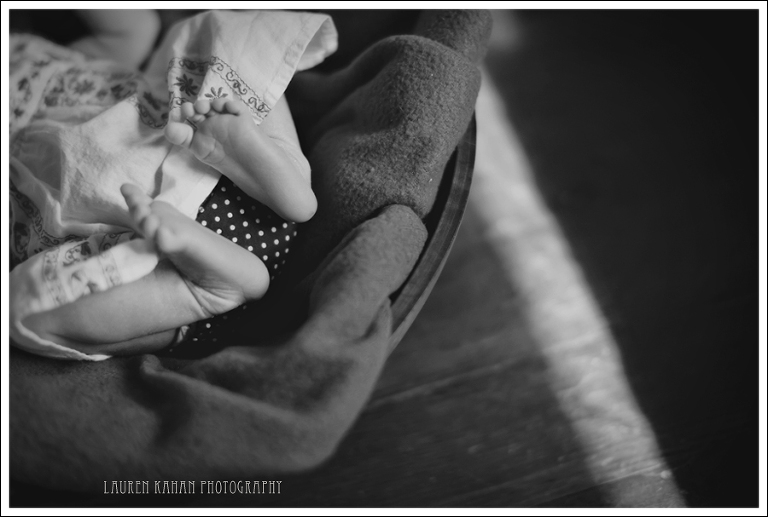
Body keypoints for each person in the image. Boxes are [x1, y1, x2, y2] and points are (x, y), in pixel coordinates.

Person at [9, 9, 338, 360]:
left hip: (198, 147)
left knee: (214, 44)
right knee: (19, 309)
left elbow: (134, 27)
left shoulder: (31, 51)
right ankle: (213, 284)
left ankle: (285, 181)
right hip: (156, 258)